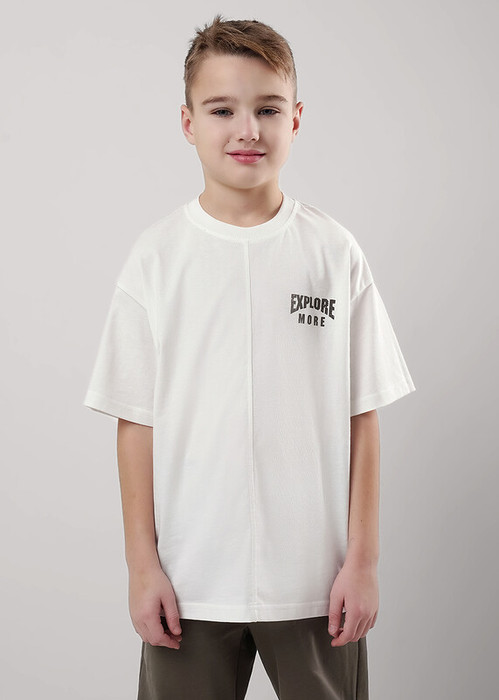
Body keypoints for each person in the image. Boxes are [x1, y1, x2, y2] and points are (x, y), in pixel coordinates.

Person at [83, 14, 416, 700]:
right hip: (190, 582)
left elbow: (363, 417)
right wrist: (141, 567)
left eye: (267, 109)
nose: (247, 130)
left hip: (316, 584)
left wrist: (362, 562)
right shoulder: (156, 259)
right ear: (187, 123)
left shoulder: (332, 253)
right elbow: (134, 424)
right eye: (221, 110)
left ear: (296, 119)